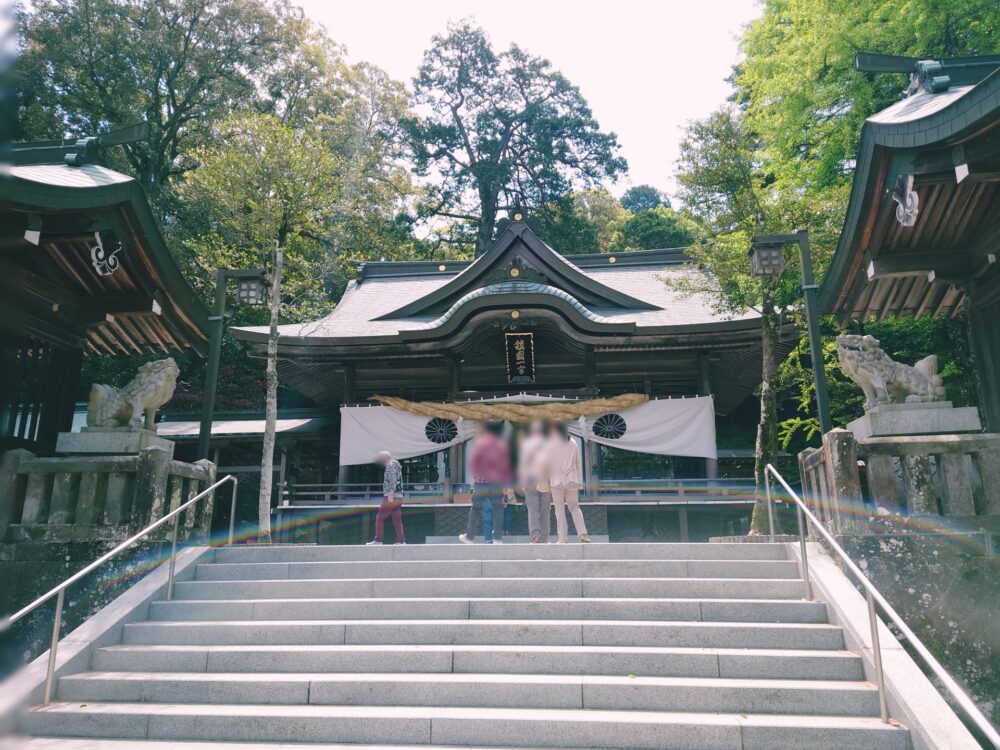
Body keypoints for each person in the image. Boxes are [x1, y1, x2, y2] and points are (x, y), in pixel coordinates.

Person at [461, 420, 511, 544]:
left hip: (481, 483)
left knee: (475, 509)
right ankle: (497, 538)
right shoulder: (501, 445)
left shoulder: (480, 444)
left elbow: (474, 463)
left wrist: (478, 477)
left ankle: (469, 536)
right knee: (498, 509)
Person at [543, 422, 591, 543]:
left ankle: (563, 538)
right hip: (572, 480)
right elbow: (578, 463)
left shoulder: (550, 443)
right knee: (575, 507)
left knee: (559, 510)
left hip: (556, 481)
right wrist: (578, 479)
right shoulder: (573, 442)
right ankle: (583, 534)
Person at [518, 420, 551, 543]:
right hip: (545, 479)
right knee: (545, 510)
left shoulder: (526, 444)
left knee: (532, 510)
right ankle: (545, 537)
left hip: (530, 479)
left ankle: (535, 536)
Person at [367, 450, 405, 545]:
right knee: (397, 520)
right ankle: (401, 541)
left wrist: (390, 495)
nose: (379, 460)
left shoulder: (390, 465)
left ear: (385, 458)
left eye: (380, 458)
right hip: (399, 496)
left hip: (391, 496)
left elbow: (392, 480)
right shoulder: (397, 466)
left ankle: (378, 540)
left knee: (379, 518)